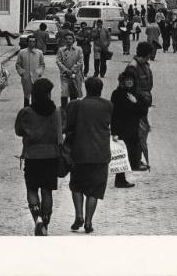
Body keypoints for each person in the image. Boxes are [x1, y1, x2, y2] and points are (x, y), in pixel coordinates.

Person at [15, 78, 62, 236]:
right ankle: (46, 222)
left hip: (32, 156)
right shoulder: (56, 112)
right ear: (48, 93)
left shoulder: (26, 112)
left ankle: (38, 220)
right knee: (47, 191)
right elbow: (59, 133)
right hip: (51, 156)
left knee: (32, 189)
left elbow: (19, 131)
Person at [65, 77, 113, 234]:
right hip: (100, 153)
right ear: (100, 89)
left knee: (77, 185)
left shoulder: (75, 105)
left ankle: (78, 215)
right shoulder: (107, 105)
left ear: (86, 88)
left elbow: (67, 126)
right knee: (94, 190)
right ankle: (88, 221)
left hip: (79, 151)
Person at [111, 70, 149, 188]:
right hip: (121, 129)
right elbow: (114, 114)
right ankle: (120, 180)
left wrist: (135, 102)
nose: (129, 82)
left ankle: (122, 179)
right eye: (127, 80)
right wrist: (114, 132)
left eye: (131, 80)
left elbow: (143, 112)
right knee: (120, 156)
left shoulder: (138, 95)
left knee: (132, 155)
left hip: (133, 130)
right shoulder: (117, 94)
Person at [125, 42, 154, 171]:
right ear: (148, 54)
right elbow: (129, 88)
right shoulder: (133, 67)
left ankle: (137, 160)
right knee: (137, 134)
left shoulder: (145, 65)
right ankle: (134, 162)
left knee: (142, 133)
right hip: (136, 105)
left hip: (143, 104)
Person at [56, 32, 84, 110]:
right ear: (64, 40)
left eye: (70, 39)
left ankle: (73, 110)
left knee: (74, 92)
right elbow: (58, 61)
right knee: (64, 92)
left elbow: (80, 61)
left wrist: (72, 70)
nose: (68, 41)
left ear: (73, 40)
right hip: (65, 75)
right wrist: (65, 70)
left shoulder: (78, 49)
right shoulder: (61, 50)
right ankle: (64, 110)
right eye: (67, 39)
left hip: (75, 74)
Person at [16, 35, 46, 107]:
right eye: (30, 41)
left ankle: (34, 111)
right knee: (26, 95)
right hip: (26, 77)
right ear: (27, 42)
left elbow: (42, 64)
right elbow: (18, 64)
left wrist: (39, 72)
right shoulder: (22, 52)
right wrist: (22, 73)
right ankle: (26, 111)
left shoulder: (39, 53)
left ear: (35, 43)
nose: (31, 43)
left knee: (35, 95)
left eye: (33, 42)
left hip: (36, 77)